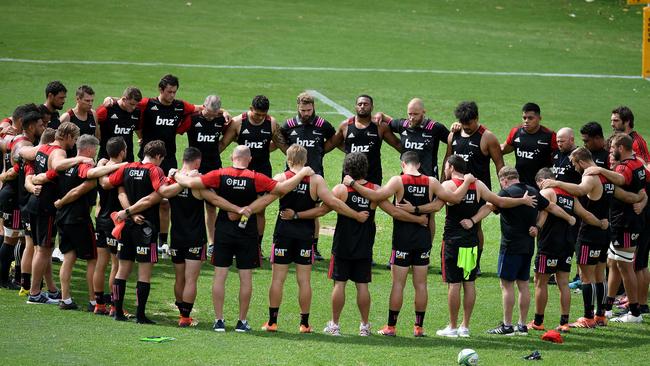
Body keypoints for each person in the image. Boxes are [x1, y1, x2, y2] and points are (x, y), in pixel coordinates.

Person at [172, 145, 315, 333]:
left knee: (220, 275)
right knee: (245, 277)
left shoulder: (219, 174)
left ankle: (219, 321)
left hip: (223, 230)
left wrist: (176, 174)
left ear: (232, 157)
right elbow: (280, 190)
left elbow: (191, 184)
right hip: (247, 230)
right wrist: (302, 172)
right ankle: (241, 322)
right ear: (249, 159)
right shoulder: (256, 177)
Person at [344, 151, 475, 337]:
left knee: (398, 284)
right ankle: (419, 327)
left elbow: (376, 196)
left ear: (403, 164)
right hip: (423, 239)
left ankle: (391, 327)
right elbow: (451, 200)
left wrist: (352, 183)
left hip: (402, 240)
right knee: (421, 284)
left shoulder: (398, 181)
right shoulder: (431, 182)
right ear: (419, 165)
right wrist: (468, 182)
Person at [260, 145, 369, 333]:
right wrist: (356, 215)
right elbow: (333, 203)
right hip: (305, 235)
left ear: (288, 159)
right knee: (304, 280)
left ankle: (272, 322)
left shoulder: (281, 178)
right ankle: (304, 324)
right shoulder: (316, 180)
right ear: (306, 159)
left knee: (278, 280)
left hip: (283, 234)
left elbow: (264, 199)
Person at [540, 147, 644, 327]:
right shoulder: (608, 178)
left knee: (586, 277)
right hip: (605, 232)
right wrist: (640, 197)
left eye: (573, 163)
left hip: (589, 232)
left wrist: (557, 184)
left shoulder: (590, 176)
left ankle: (588, 318)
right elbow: (625, 196)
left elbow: (580, 190)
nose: (574, 167)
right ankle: (601, 316)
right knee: (599, 276)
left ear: (580, 161)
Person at [435, 156, 537, 338]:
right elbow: (498, 202)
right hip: (472, 242)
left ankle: (452, 327)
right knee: (469, 283)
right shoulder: (478, 185)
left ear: (450, 167)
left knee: (454, 284)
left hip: (453, 241)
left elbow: (453, 200)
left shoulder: (449, 185)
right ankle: (465, 326)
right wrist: (521, 201)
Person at [467, 166, 575, 335]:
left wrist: (472, 221)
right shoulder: (532, 190)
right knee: (523, 285)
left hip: (510, 246)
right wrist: (568, 218)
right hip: (528, 246)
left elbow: (489, 206)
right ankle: (522, 325)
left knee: (506, 285)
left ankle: (507, 325)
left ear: (504, 180)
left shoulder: (506, 193)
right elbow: (551, 207)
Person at [35, 135, 125, 309]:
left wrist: (32, 181)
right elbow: (86, 180)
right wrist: (118, 165)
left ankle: (66, 298)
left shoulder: (64, 164)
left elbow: (45, 176)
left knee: (69, 257)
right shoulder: (84, 165)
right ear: (90, 149)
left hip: (61, 218)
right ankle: (93, 300)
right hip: (79, 219)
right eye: (95, 151)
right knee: (93, 259)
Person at [531, 168, 607, 332]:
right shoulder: (570, 195)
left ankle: (538, 322)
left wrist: (534, 226)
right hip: (567, 245)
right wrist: (601, 223)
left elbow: (543, 216)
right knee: (563, 283)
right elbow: (586, 215)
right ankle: (564, 322)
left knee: (540, 282)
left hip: (548, 244)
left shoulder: (547, 192)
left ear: (542, 180)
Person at [134, 74, 202, 256]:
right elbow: (127, 103)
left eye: (174, 92)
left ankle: (162, 242)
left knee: (165, 202)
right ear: (161, 90)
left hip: (168, 159)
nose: (172, 95)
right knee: (146, 200)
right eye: (169, 92)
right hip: (147, 159)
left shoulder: (179, 106)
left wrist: (223, 112)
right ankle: (142, 237)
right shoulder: (147, 104)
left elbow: (200, 108)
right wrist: (111, 100)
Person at [583, 134, 647, 323]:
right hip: (623, 221)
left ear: (621, 147)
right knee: (613, 263)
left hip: (626, 223)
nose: (610, 152)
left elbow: (619, 179)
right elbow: (642, 188)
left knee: (626, 267)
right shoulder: (638, 164)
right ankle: (607, 307)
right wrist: (642, 198)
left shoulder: (625, 166)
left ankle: (635, 313)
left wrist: (600, 170)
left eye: (612, 149)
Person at [105, 140, 168, 323]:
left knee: (122, 270)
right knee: (144, 273)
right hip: (146, 227)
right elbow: (153, 197)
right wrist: (131, 213)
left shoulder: (127, 168)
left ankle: (117, 312)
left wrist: (128, 215)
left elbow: (118, 190)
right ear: (158, 156)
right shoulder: (155, 170)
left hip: (127, 226)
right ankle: (140, 315)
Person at [24, 122, 86, 304]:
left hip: (35, 202)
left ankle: (51, 290)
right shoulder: (59, 152)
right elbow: (58, 166)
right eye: (74, 139)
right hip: (46, 205)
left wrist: (34, 178)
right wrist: (80, 159)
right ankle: (34, 293)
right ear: (66, 136)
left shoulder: (43, 147)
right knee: (43, 251)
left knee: (42, 249)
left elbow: (24, 154)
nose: (74, 143)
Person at [219, 95, 282, 259]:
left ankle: (257, 247)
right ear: (250, 108)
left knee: (259, 211)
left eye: (263, 114)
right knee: (235, 209)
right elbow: (223, 144)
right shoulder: (238, 122)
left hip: (262, 173)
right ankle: (233, 245)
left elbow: (282, 144)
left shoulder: (271, 123)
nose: (260, 117)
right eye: (257, 114)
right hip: (241, 174)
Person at [445, 101, 504, 274]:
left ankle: (475, 262)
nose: (466, 127)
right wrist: (442, 185)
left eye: (469, 123)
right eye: (463, 123)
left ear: (476, 118)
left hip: (477, 191)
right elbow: (447, 161)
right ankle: (454, 259)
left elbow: (499, 164)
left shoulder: (487, 137)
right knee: (453, 224)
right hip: (455, 189)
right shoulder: (453, 135)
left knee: (475, 226)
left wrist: (503, 190)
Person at [278, 92, 338, 261]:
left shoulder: (322, 124)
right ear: (298, 107)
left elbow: (333, 139)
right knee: (287, 207)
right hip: (291, 175)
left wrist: (320, 151)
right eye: (303, 110)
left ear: (313, 108)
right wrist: (289, 155)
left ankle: (313, 247)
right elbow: (280, 139)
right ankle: (285, 244)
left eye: (309, 110)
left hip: (314, 175)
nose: (306, 113)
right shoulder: (289, 124)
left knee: (314, 210)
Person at [156, 147, 212, 327]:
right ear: (198, 161)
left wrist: (178, 175)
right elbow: (213, 202)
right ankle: (186, 317)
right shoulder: (198, 181)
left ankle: (182, 313)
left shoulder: (172, 180)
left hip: (176, 237)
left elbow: (163, 198)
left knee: (179, 278)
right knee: (191, 279)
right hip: (195, 238)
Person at [186, 95, 228, 254]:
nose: (211, 116)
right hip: (193, 169)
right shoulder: (192, 119)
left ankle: (212, 243)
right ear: (203, 106)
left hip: (214, 169)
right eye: (209, 112)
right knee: (191, 206)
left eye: (214, 113)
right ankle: (193, 240)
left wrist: (223, 113)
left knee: (211, 207)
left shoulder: (220, 120)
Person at [93, 137, 129, 315]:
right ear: (122, 152)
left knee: (101, 263)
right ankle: (115, 306)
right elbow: (120, 194)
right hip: (116, 222)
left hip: (101, 220)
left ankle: (99, 304)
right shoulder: (122, 172)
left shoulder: (102, 169)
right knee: (116, 265)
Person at [501, 102, 557, 187]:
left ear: (539, 118)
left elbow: (559, 158)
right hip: (519, 183)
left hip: (541, 184)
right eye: (524, 118)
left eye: (530, 118)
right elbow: (503, 149)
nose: (526, 121)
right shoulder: (516, 132)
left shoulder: (549, 135)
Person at [96, 87, 142, 162]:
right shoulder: (107, 109)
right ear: (124, 99)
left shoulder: (136, 112)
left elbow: (137, 128)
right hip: (107, 158)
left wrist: (141, 138)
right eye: (131, 104)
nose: (133, 107)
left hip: (127, 158)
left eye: (136, 105)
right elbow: (93, 121)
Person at [59, 85, 100, 157]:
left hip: (88, 162)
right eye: (87, 100)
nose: (90, 104)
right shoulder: (67, 117)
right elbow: (58, 142)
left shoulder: (93, 114)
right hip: (71, 161)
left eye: (92, 101)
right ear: (78, 99)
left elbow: (97, 137)